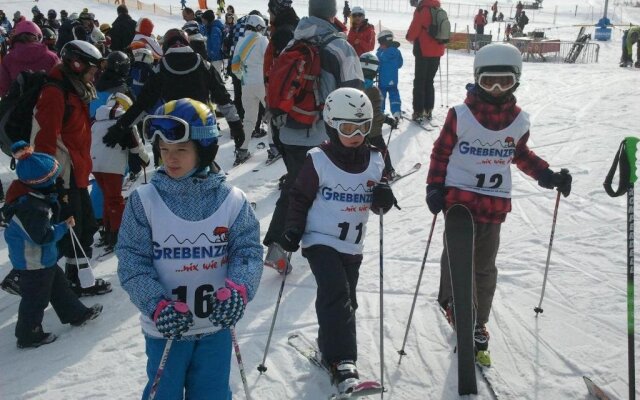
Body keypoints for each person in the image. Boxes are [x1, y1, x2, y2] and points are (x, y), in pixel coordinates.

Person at [426, 43, 573, 368]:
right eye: (489, 81)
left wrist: (547, 175)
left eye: (504, 82)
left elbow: (520, 154)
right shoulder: (460, 115)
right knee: (456, 257)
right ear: (477, 79)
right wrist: (434, 186)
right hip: (459, 201)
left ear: (516, 81)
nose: (495, 89)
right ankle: (453, 302)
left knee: (483, 266)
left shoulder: (518, 121)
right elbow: (441, 152)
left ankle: (477, 321)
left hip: (492, 205)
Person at [117, 98, 262, 399]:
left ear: (204, 150)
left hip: (216, 326)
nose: (171, 159)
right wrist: (156, 305)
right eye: (164, 150)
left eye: (181, 150)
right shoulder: (144, 201)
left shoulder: (232, 200)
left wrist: (239, 290)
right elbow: (132, 262)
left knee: (212, 393)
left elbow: (247, 251)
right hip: (167, 328)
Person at [279, 87, 396, 394]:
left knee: (346, 300)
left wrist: (383, 196)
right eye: (347, 128)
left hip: (352, 246)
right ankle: (344, 362)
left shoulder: (375, 159)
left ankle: (330, 350)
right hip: (320, 240)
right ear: (331, 125)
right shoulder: (318, 159)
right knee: (335, 292)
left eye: (362, 127)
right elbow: (299, 197)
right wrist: (292, 230)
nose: (356, 134)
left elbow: (380, 202)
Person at [262, 0, 364, 271]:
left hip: (287, 129)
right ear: (333, 14)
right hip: (323, 134)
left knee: (297, 185)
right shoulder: (340, 46)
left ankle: (280, 245)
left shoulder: (293, 41)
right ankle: (317, 244)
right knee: (324, 188)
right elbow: (355, 93)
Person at [32, 40, 112, 297]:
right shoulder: (55, 93)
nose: (94, 76)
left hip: (76, 172)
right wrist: (52, 181)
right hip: (62, 176)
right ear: (76, 65)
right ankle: (69, 281)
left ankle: (73, 278)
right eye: (91, 71)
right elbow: (45, 140)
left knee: (84, 228)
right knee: (73, 231)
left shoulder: (75, 90)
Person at [4, 141, 103, 348]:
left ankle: (76, 314)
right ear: (41, 182)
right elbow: (42, 236)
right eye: (53, 177)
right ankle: (28, 334)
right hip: (33, 262)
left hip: (43, 258)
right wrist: (63, 227)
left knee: (60, 288)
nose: (57, 180)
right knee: (35, 299)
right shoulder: (32, 208)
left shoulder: (32, 195)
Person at [103, 28, 246, 168]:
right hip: (203, 130)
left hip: (171, 132)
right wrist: (236, 126)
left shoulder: (161, 67)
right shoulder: (203, 64)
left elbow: (143, 103)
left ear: (165, 46)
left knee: (173, 171)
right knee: (204, 170)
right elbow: (223, 99)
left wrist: (120, 127)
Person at [91, 93, 148, 251]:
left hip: (95, 163)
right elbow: (136, 144)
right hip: (112, 164)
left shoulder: (96, 118)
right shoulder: (123, 118)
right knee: (115, 199)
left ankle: (107, 230)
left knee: (107, 198)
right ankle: (118, 234)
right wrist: (145, 159)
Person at [231, 15, 268, 166]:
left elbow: (234, 67)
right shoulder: (262, 40)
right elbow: (269, 61)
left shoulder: (240, 41)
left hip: (246, 84)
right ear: (259, 27)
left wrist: (244, 77)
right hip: (262, 83)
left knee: (248, 118)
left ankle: (243, 149)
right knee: (271, 116)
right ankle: (273, 149)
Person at [265, 0, 298, 163]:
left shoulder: (283, 33)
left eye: (270, 11)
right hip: (287, 97)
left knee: (285, 138)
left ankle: (294, 175)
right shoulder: (289, 27)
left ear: (276, 11)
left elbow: (283, 72)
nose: (269, 15)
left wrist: (277, 104)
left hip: (283, 98)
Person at [360, 52, 398, 180]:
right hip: (373, 132)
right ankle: (389, 172)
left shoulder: (353, 86)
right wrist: (388, 120)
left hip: (358, 131)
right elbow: (376, 115)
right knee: (382, 151)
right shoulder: (374, 91)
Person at [406, 0, 445, 124]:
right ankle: (428, 110)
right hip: (438, 51)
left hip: (423, 51)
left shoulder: (422, 9)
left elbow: (414, 29)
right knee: (429, 81)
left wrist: (408, 37)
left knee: (419, 82)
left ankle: (418, 111)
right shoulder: (438, 9)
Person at [0, 21, 59, 97]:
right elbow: (62, 82)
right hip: (46, 105)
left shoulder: (8, 59)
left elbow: (3, 88)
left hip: (17, 106)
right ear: (38, 37)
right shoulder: (51, 57)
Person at [376, 30, 403, 120]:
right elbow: (400, 64)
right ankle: (396, 111)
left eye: (380, 42)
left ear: (385, 42)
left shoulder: (380, 53)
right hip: (393, 80)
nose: (379, 44)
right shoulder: (397, 52)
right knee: (394, 95)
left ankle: (380, 112)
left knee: (381, 96)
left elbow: (377, 65)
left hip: (382, 81)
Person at [202, 9, 225, 74]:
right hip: (210, 58)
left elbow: (216, 46)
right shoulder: (208, 28)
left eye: (203, 19)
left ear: (207, 19)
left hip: (216, 59)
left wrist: (211, 56)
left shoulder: (214, 29)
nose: (202, 21)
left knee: (216, 78)